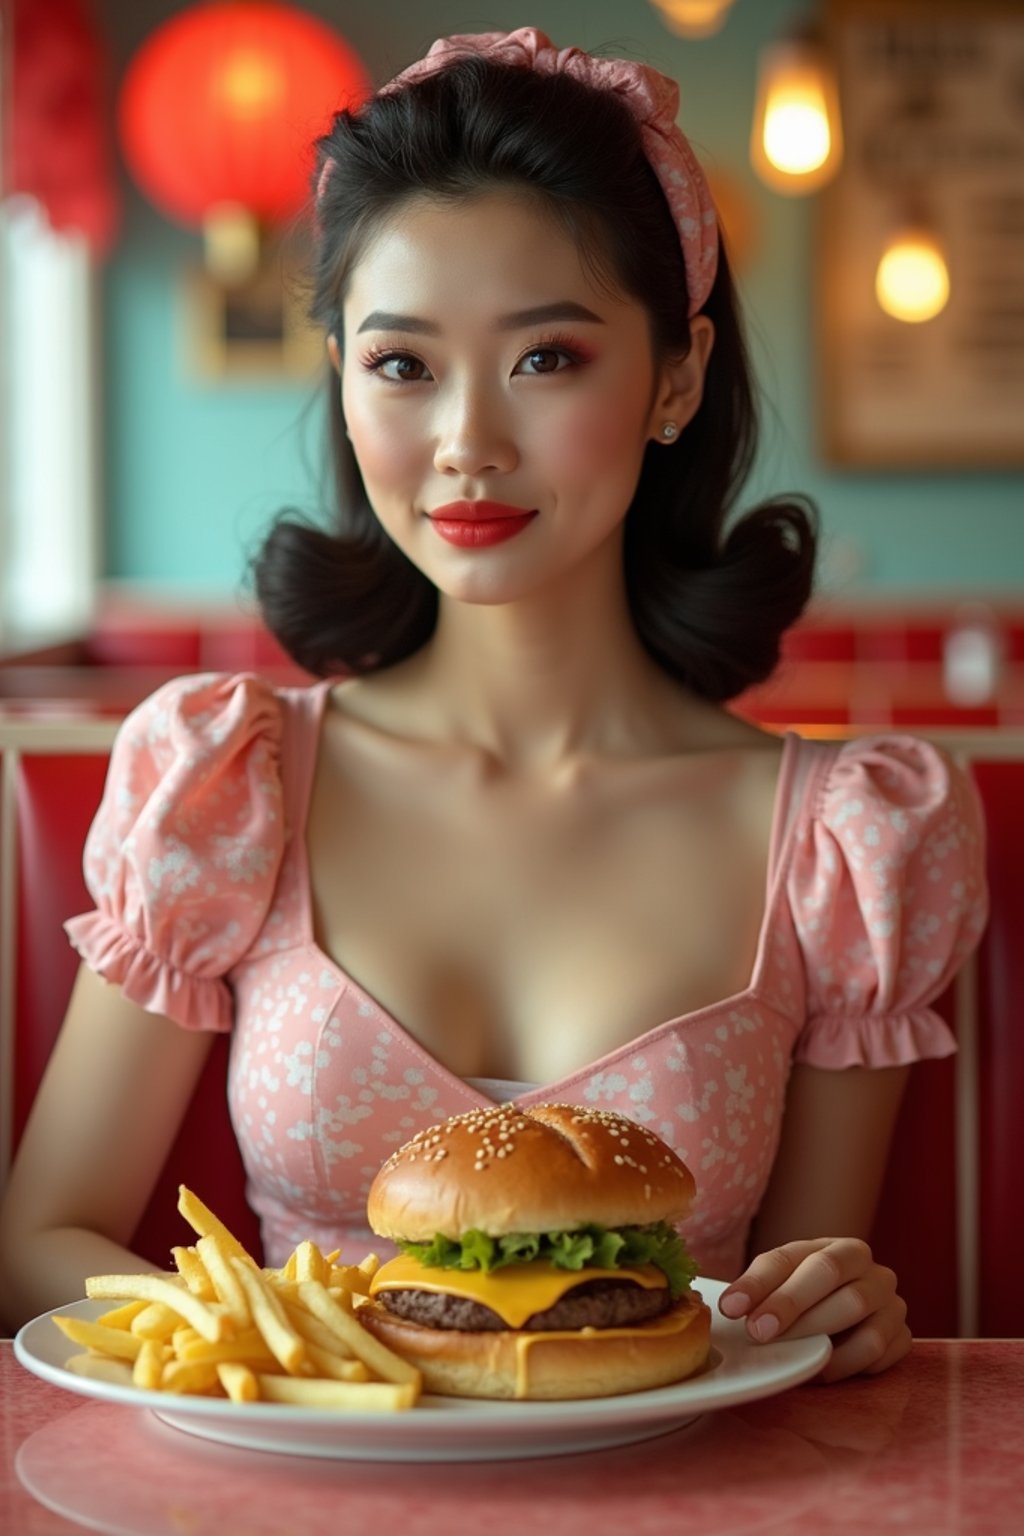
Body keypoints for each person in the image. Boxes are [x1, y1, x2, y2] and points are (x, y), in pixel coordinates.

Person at [0, 29, 987, 1382]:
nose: (467, 437)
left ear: (677, 381)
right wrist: (309, 1366)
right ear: (344, 383)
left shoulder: (846, 842)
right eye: (402, 363)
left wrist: (836, 1311)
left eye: (547, 359)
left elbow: (780, 1319)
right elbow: (41, 1239)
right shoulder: (230, 781)